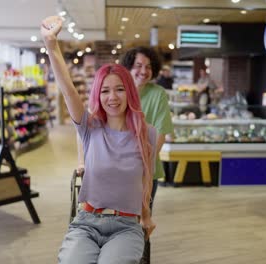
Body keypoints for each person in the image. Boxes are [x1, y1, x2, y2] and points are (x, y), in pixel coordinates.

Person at [41, 16, 157, 263]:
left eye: (119, 89)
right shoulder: (89, 127)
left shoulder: (147, 133)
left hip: (127, 225)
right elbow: (68, 90)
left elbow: (147, 179)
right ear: (97, 94)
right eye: (105, 90)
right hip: (87, 223)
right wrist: (51, 45)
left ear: (130, 92)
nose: (112, 97)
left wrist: (146, 215)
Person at [121, 46, 174, 210]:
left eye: (149, 67)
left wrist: (146, 164)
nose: (143, 71)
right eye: (138, 65)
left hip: (147, 171)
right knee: (120, 221)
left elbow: (161, 131)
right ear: (129, 67)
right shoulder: (118, 91)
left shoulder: (158, 94)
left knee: (143, 221)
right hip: (119, 168)